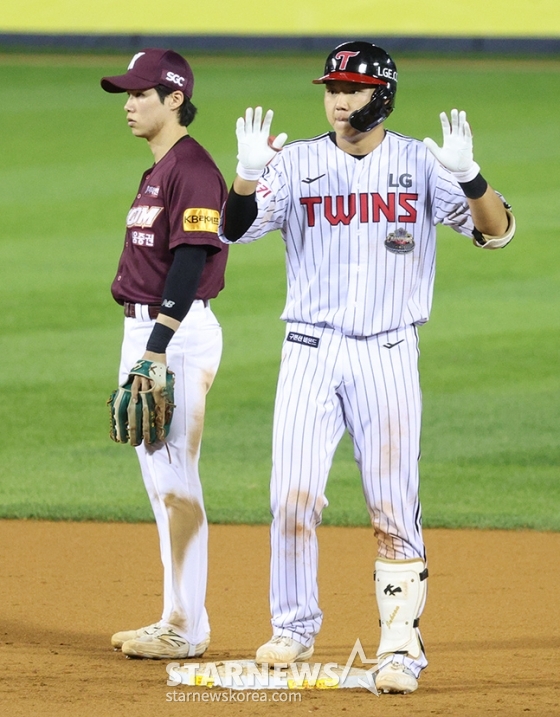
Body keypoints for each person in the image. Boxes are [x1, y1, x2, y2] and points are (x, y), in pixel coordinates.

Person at [220, 41, 515, 693]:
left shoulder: (420, 162)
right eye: (332, 87)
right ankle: (293, 625)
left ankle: (400, 648)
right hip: (309, 352)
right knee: (291, 495)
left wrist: (469, 175)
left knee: (391, 506)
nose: (338, 98)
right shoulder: (295, 163)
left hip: (386, 353)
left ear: (381, 95)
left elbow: (496, 231)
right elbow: (233, 230)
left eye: (351, 87)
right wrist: (244, 177)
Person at [100, 48, 228, 659]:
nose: (128, 105)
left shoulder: (192, 168)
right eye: (126, 94)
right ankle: (177, 616)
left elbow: (191, 259)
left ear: (174, 98)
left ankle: (186, 627)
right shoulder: (161, 167)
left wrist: (155, 349)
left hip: (171, 336)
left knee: (177, 483)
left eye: (140, 94)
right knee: (162, 484)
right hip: (151, 336)